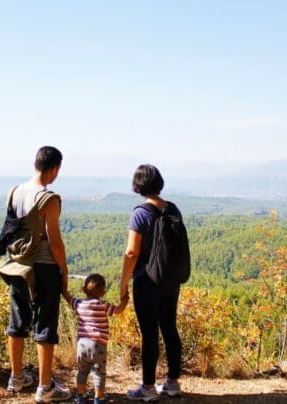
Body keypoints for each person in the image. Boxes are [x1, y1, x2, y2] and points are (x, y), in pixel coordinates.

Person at [4, 146, 72, 402]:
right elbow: (55, 242)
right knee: (45, 325)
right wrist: (63, 272)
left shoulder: (14, 192)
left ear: (36, 164)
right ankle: (45, 387)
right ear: (55, 169)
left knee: (17, 321)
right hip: (43, 266)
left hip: (18, 265)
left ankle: (16, 377)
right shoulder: (49, 199)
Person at [119, 164, 183, 402]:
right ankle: (173, 382)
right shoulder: (173, 209)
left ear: (138, 185)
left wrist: (123, 283)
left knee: (149, 334)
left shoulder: (140, 213)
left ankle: (147, 388)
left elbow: (131, 253)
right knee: (170, 328)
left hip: (147, 281)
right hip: (171, 280)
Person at [63, 273, 127, 404]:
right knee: (98, 372)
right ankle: (99, 397)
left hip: (81, 344)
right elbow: (119, 310)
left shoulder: (79, 304)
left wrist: (63, 289)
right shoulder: (103, 305)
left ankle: (80, 396)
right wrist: (125, 300)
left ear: (85, 289)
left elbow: (69, 298)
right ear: (102, 291)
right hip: (98, 344)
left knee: (82, 370)